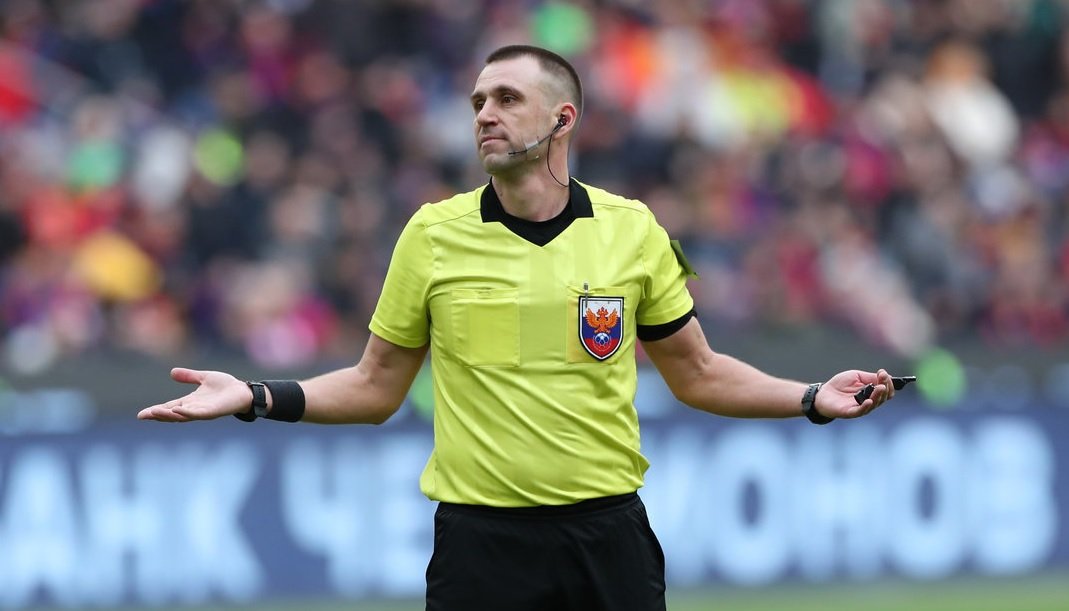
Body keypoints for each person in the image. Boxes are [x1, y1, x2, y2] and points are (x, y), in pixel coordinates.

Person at [139, 44, 901, 611]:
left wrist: (809, 396)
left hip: (607, 540)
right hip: (481, 548)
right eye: (477, 101)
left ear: (562, 118)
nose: (484, 115)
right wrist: (254, 396)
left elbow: (697, 372)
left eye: (506, 98)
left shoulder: (631, 229)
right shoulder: (431, 234)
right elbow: (374, 387)